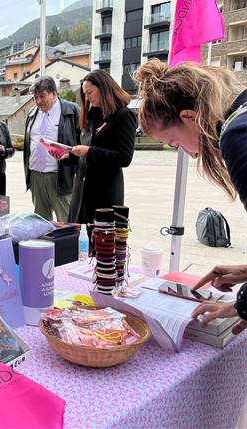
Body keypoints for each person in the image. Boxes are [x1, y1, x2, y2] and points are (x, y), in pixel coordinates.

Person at [133, 59, 247, 334]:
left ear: (188, 117)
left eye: (175, 142)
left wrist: (241, 306)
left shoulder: (237, 135)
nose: (189, 152)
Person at [68, 70, 136, 224]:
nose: (87, 98)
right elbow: (86, 149)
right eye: (84, 94)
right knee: (77, 240)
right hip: (81, 192)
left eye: (90, 92)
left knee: (100, 242)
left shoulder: (123, 115)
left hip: (104, 194)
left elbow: (124, 157)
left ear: (104, 88)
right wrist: (68, 155)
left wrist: (90, 152)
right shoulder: (91, 116)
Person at [22, 77, 80, 221]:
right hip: (35, 175)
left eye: (42, 96)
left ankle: (67, 244)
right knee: (40, 222)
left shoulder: (72, 111)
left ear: (54, 93)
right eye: (35, 97)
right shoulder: (31, 113)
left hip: (60, 176)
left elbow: (82, 143)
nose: (38, 101)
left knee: (66, 222)